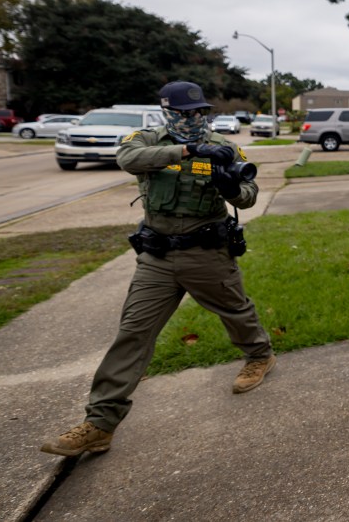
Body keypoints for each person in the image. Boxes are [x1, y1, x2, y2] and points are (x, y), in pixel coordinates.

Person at [41, 81, 275, 457]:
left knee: (235, 311)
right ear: (167, 112)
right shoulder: (145, 139)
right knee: (133, 332)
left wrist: (230, 186)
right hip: (157, 257)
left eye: (200, 113)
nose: (194, 119)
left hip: (206, 252)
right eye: (184, 113)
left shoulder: (224, 146)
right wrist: (186, 150)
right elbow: (127, 159)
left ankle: (259, 356)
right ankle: (100, 423)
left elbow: (248, 197)